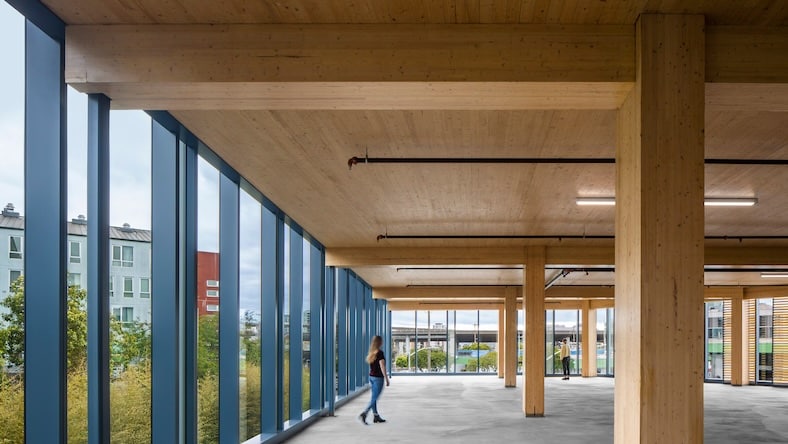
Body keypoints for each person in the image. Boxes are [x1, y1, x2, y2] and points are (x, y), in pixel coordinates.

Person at [359, 335, 390, 425]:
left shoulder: (372, 353)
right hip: (378, 378)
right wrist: (386, 378)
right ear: (379, 342)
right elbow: (382, 366)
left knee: (374, 397)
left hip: (371, 377)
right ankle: (365, 413)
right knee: (375, 397)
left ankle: (376, 416)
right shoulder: (380, 353)